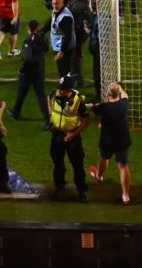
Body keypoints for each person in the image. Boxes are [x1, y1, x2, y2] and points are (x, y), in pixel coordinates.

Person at [47, 71, 91, 201]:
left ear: (70, 90)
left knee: (77, 164)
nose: (60, 92)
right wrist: (50, 116)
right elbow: (48, 98)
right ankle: (59, 186)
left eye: (64, 90)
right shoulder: (55, 94)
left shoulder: (77, 101)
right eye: (60, 89)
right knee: (57, 162)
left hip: (72, 136)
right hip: (56, 134)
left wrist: (73, 134)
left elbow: (86, 120)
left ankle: (81, 190)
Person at [89, 81, 133, 202]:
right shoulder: (124, 104)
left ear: (107, 94)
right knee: (123, 167)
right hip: (122, 140)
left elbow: (91, 108)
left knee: (104, 158)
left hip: (107, 140)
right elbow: (125, 95)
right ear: (118, 93)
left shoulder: (103, 108)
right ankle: (126, 195)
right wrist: (119, 86)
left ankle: (99, 176)